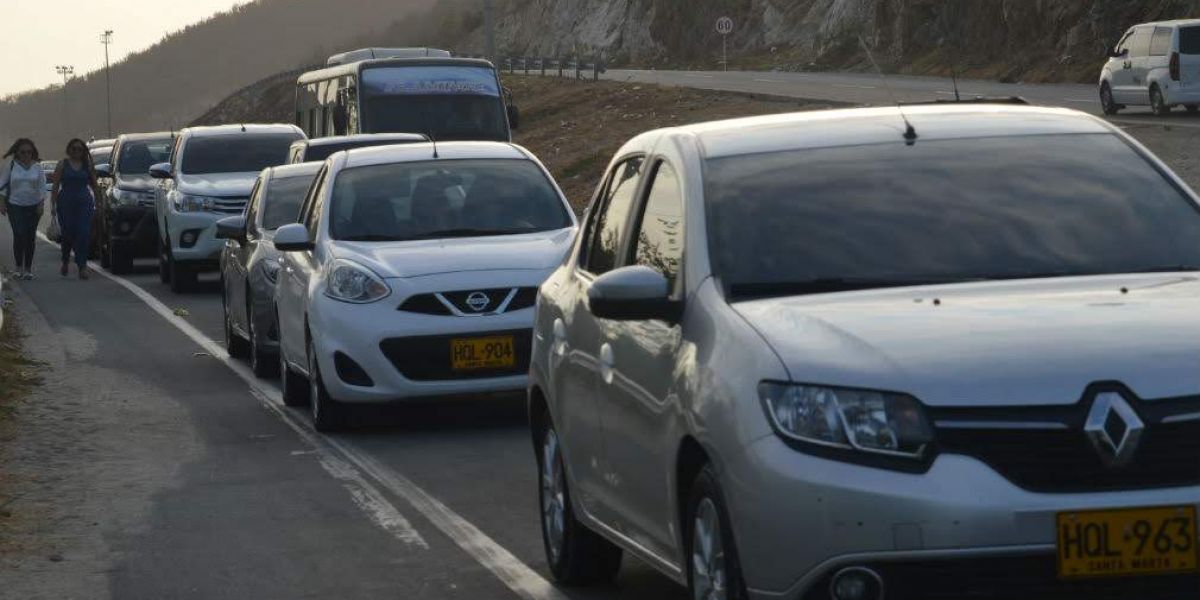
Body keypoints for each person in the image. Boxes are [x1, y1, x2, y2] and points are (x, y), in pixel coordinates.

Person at [50, 139, 103, 279]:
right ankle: (65, 260)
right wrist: (52, 206)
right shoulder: (63, 164)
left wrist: (98, 204)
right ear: (69, 150)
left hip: (84, 203)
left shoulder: (87, 165)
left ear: (83, 151)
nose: (76, 151)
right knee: (68, 234)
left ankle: (82, 266)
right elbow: (55, 186)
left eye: (79, 149)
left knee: (83, 233)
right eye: (73, 149)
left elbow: (95, 185)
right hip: (66, 203)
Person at [0, 139, 47, 280]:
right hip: (15, 205)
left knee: (29, 237)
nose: (26, 155)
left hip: (33, 206)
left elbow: (42, 188)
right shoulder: (12, 165)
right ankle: (18, 267)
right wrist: (1, 203)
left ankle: (27, 269)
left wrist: (40, 205)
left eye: (29, 152)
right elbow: (2, 185)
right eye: (23, 152)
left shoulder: (37, 167)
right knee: (19, 234)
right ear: (17, 153)